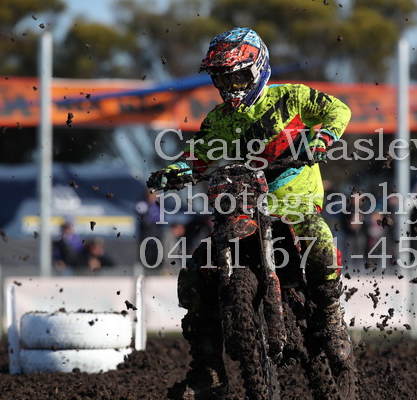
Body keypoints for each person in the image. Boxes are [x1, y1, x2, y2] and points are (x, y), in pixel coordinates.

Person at [147, 27, 353, 399]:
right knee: (197, 271)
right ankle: (208, 368)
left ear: (258, 69)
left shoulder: (290, 97)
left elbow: (338, 109)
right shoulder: (218, 121)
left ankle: (330, 316)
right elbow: (198, 157)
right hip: (243, 206)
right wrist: (176, 171)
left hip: (295, 203)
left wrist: (323, 137)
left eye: (239, 77)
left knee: (319, 240)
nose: (232, 87)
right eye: (223, 79)